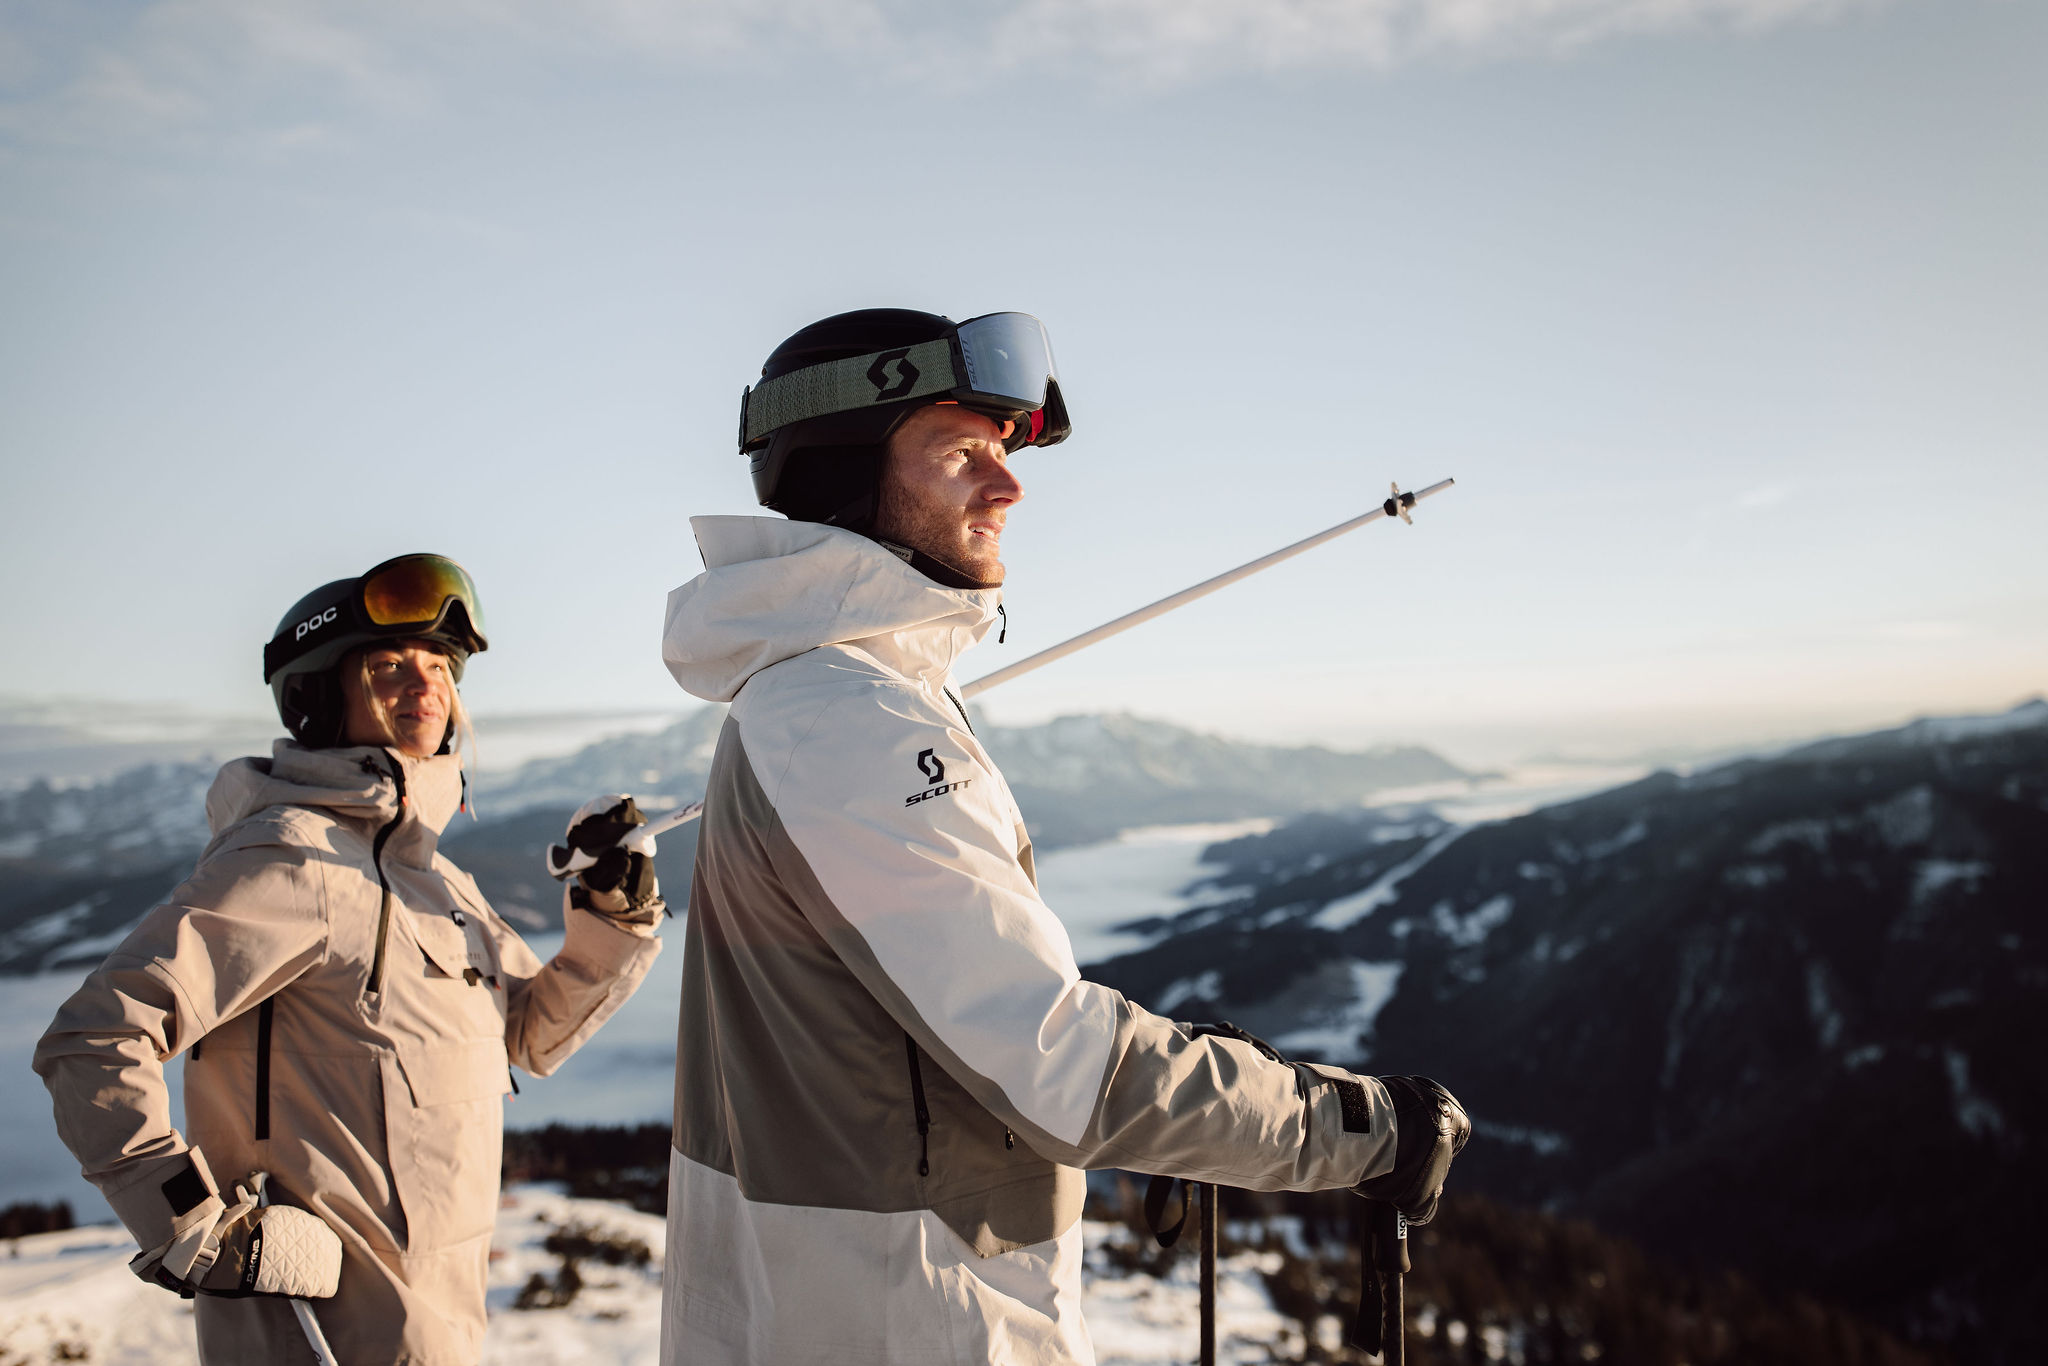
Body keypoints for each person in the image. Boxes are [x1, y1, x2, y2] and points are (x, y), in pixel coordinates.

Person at [658, 309, 1470, 1364]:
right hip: (918, 1317)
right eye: (960, 454)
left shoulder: (810, 697)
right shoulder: (849, 718)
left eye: (1002, 454)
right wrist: (1356, 1127)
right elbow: (1059, 1064)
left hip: (844, 1301)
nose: (1008, 487)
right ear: (845, 476)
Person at [34, 553, 667, 1365]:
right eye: (387, 666)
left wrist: (613, 914)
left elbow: (527, 1035)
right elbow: (91, 1039)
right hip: (319, 1339)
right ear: (319, 699)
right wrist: (190, 1225)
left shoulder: (432, 877)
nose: (424, 684)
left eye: (438, 665)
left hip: (439, 1332)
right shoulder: (293, 861)